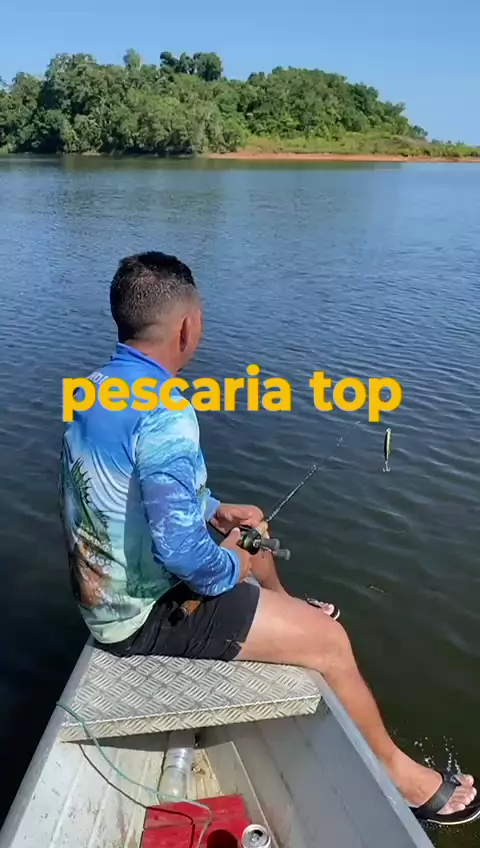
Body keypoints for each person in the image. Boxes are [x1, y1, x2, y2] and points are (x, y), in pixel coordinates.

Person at [59, 251, 478, 828]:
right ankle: (404, 779)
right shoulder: (165, 409)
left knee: (253, 525)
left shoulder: (94, 389)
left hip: (105, 595)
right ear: (188, 326)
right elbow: (185, 556)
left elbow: (126, 489)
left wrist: (214, 510)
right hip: (143, 615)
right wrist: (232, 560)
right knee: (330, 641)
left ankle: (282, 606)